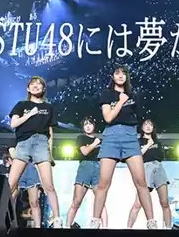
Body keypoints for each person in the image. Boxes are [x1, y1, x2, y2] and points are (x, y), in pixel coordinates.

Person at [92, 66, 157, 229]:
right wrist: (121, 101)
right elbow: (108, 118)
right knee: (103, 183)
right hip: (111, 136)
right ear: (112, 76)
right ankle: (95, 221)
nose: (121, 76)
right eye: (117, 73)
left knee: (141, 182)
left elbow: (139, 117)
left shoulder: (134, 95)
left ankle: (151, 222)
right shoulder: (107, 94)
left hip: (130, 136)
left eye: (124, 73)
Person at [7, 76, 61, 228]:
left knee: (49, 185)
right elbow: (13, 123)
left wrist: (50, 153)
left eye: (39, 84)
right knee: (11, 184)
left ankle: (57, 219)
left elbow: (50, 132)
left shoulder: (48, 107)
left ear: (44, 88)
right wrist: (30, 114)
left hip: (41, 142)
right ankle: (2, 216)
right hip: (24, 143)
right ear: (28, 88)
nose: (36, 86)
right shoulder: (21, 105)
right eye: (32, 84)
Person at [127, 119, 171, 229]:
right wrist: (148, 145)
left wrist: (153, 143)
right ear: (142, 128)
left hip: (159, 168)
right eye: (145, 124)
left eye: (150, 124)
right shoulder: (138, 141)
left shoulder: (157, 141)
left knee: (165, 202)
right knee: (138, 203)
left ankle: (168, 228)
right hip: (145, 168)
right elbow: (137, 155)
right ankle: (128, 228)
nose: (148, 126)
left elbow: (161, 156)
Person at [66, 117, 107, 228]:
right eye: (85, 124)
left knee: (101, 202)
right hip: (85, 167)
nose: (88, 126)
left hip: (98, 168)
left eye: (90, 124)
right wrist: (94, 144)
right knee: (76, 201)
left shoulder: (101, 140)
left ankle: (105, 228)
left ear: (94, 125)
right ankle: (67, 227)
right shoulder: (81, 138)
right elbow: (84, 152)